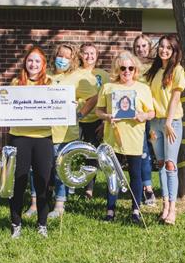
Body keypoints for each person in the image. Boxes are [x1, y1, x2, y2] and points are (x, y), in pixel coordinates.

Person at [96, 50, 156, 224]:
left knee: (135, 174)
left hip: (135, 137)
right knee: (112, 175)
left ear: (135, 69)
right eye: (123, 68)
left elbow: (152, 112)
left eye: (130, 67)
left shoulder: (143, 88)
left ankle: (136, 210)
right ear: (117, 69)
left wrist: (143, 116)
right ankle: (110, 210)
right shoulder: (108, 88)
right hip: (112, 138)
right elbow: (98, 111)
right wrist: (107, 116)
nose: (127, 71)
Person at [7, 46, 56, 238]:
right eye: (30, 60)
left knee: (43, 182)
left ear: (43, 64)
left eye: (37, 61)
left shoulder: (51, 84)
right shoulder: (16, 83)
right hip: (19, 138)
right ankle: (16, 223)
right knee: (18, 182)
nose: (33, 64)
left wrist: (68, 105)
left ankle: (42, 224)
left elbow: (59, 105)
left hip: (43, 138)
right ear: (25, 63)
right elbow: (2, 104)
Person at [46, 42, 92, 218]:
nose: (62, 60)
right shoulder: (46, 74)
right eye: (60, 55)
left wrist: (79, 114)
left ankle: (60, 204)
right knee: (44, 168)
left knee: (59, 168)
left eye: (67, 57)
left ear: (73, 60)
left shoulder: (77, 76)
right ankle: (41, 200)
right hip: (44, 130)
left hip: (65, 132)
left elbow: (93, 98)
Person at [146, 35, 185, 224]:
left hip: (172, 123)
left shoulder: (177, 70)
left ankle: (172, 208)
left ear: (174, 50)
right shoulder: (153, 71)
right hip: (155, 124)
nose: (164, 50)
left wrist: (169, 122)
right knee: (161, 164)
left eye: (168, 47)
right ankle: (164, 205)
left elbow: (175, 98)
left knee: (171, 164)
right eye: (161, 46)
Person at [76, 42, 108, 198]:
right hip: (76, 120)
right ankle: (70, 185)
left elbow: (108, 98)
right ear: (81, 55)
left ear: (97, 56)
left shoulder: (103, 74)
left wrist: (104, 122)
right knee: (72, 153)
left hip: (96, 120)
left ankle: (89, 188)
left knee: (92, 154)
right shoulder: (74, 73)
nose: (89, 56)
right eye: (86, 53)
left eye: (92, 53)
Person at [131, 33, 156, 209]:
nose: (141, 49)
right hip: (136, 116)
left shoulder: (155, 66)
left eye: (144, 46)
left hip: (153, 115)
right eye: (138, 46)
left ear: (149, 47)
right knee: (140, 152)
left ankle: (147, 187)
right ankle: (145, 188)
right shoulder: (130, 66)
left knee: (150, 152)